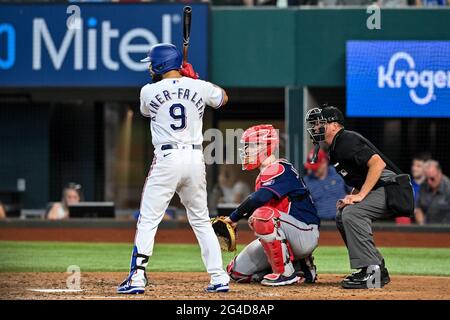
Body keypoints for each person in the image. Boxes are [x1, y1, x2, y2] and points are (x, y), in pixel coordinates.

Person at [117, 43, 230, 294]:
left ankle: (137, 277)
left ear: (160, 65)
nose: (149, 67)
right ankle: (219, 276)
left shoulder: (148, 91)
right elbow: (223, 98)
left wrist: (184, 82)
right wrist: (195, 80)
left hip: (167, 158)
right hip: (194, 159)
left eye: (152, 62)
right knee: (201, 220)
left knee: (148, 219)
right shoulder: (199, 86)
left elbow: (148, 112)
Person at [305, 106, 412, 289]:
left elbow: (378, 164)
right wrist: (353, 196)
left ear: (333, 125)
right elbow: (361, 176)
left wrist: (361, 195)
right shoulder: (337, 146)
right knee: (343, 213)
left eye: (319, 124)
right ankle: (370, 268)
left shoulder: (346, 139)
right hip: (381, 187)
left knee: (353, 214)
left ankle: (373, 271)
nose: (315, 128)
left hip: (392, 188)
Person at [224, 124, 320, 286]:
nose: (246, 151)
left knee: (262, 215)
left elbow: (260, 198)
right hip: (290, 231)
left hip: (305, 232)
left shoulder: (280, 168)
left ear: (266, 147)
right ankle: (299, 269)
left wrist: (234, 217)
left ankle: (287, 273)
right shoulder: (263, 176)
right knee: (236, 272)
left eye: (251, 146)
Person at [303, 148, 350, 220]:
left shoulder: (339, 171)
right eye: (311, 167)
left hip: (343, 220)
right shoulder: (306, 182)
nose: (313, 170)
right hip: (321, 224)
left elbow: (354, 190)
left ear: (324, 162)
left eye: (316, 167)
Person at [415, 160, 450, 224]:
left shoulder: (448, 189)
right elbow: (418, 208)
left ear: (440, 174)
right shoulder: (423, 186)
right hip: (426, 230)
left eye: (432, 179)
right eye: (426, 179)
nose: (429, 182)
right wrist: (422, 224)